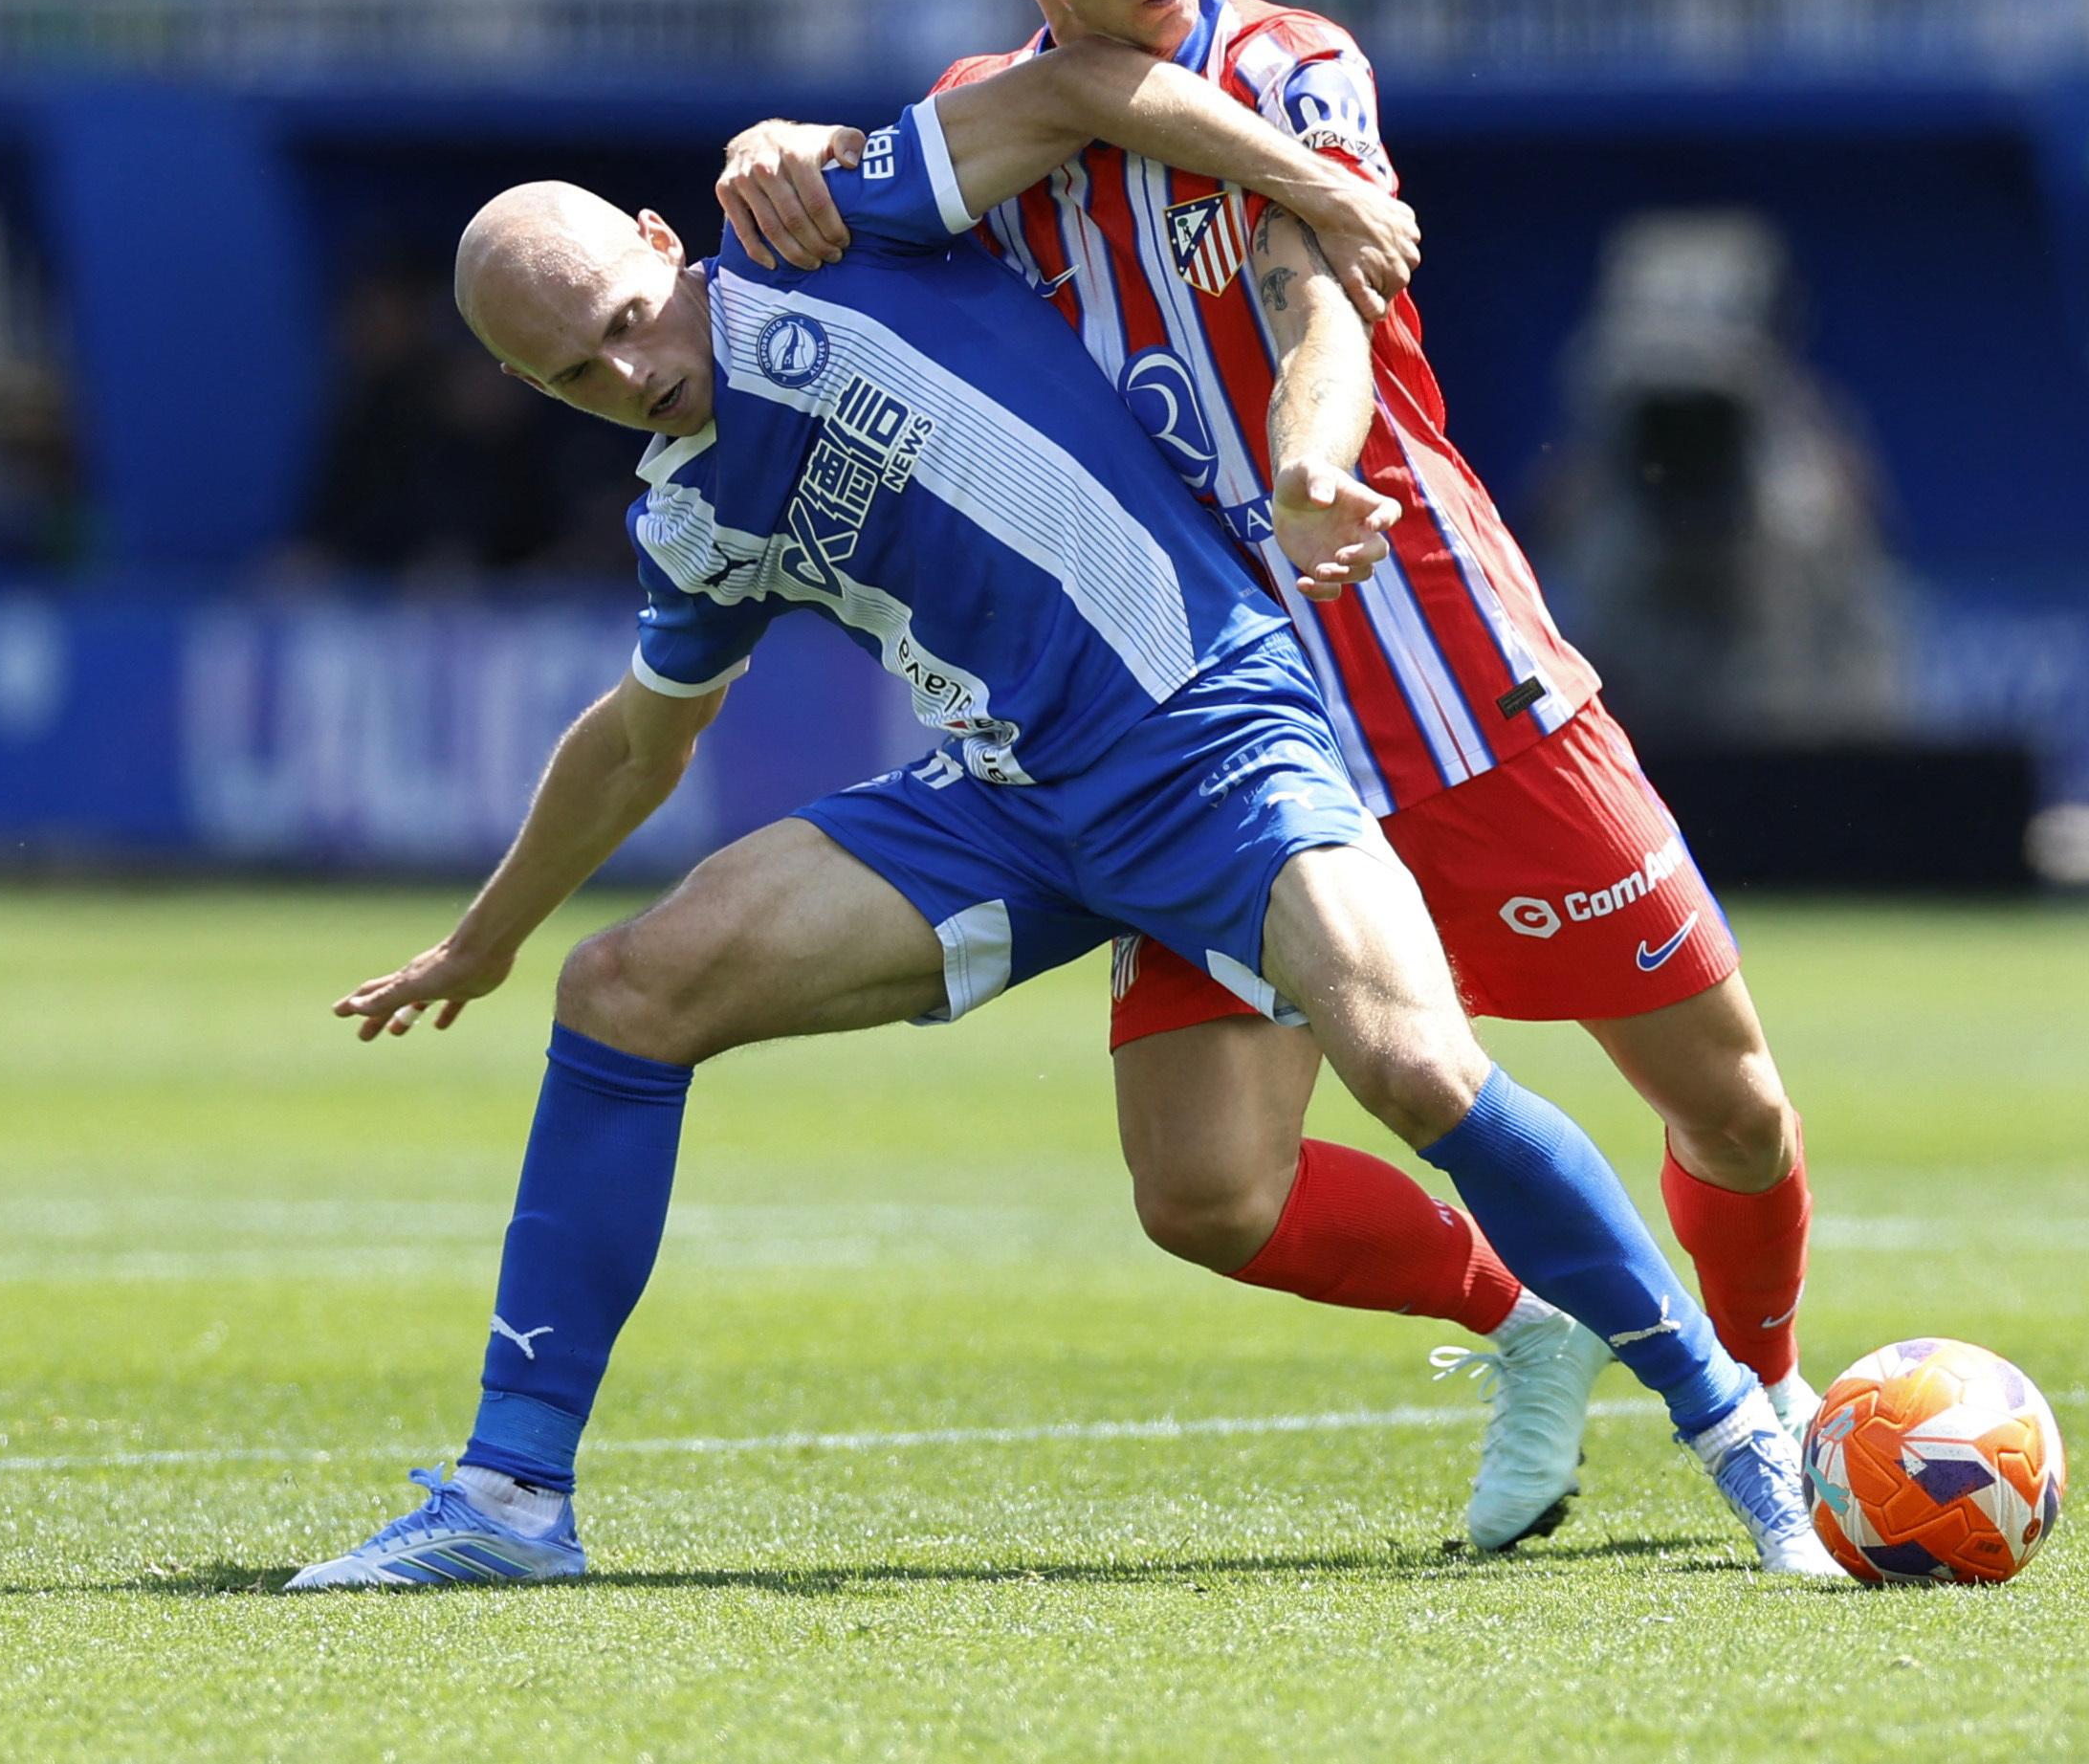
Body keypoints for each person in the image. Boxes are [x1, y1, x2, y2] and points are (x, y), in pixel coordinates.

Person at [284, 110, 1844, 1588]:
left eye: (629, 321)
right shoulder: (691, 519)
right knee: (625, 991)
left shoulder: (821, 230)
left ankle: (1737, 1432)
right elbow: (638, 741)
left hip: (1210, 734)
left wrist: (1305, 181)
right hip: (1011, 801)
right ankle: (511, 1497)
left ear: (656, 238)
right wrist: (486, 939)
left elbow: (1081, 82)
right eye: (573, 375)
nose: (631, 374)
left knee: (1416, 1069)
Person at [717, 0, 1824, 1557]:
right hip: (1207, 719)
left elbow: (1320, 298)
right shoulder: (991, 122)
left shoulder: (1296, 66)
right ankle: (1527, 1317)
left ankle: (1769, 1394)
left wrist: (1312, 468)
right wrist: (792, 150)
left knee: (1734, 1109)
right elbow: (886, 180)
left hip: (1440, 670)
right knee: (1204, 1191)